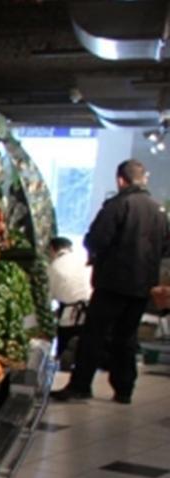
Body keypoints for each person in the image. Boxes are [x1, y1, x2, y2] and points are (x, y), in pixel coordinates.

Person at [52, 159, 170, 403]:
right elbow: (166, 248)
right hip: (141, 286)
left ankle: (81, 385)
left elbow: (96, 240)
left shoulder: (118, 205)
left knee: (94, 335)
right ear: (143, 178)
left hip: (112, 282)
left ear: (120, 180)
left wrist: (98, 254)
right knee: (126, 337)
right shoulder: (158, 211)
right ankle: (124, 389)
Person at [47, 237, 92, 367]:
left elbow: (48, 297)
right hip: (91, 310)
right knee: (85, 350)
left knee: (65, 347)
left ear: (52, 249)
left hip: (69, 314)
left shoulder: (54, 267)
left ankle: (64, 361)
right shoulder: (83, 259)